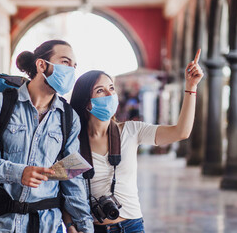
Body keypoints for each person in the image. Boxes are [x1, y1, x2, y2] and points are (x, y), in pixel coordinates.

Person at [0, 40, 93, 233]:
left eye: (74, 66)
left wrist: (85, 226)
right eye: (65, 62)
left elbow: (72, 178)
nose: (71, 71)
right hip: (1, 225)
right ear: (42, 65)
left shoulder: (69, 117)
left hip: (48, 226)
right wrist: (18, 173)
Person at [65, 49, 204, 233]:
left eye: (111, 88)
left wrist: (191, 87)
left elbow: (181, 132)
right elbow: (64, 191)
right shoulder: (74, 144)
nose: (109, 94)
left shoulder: (130, 131)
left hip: (132, 226)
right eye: (100, 90)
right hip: (91, 228)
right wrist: (70, 226)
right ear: (87, 103)